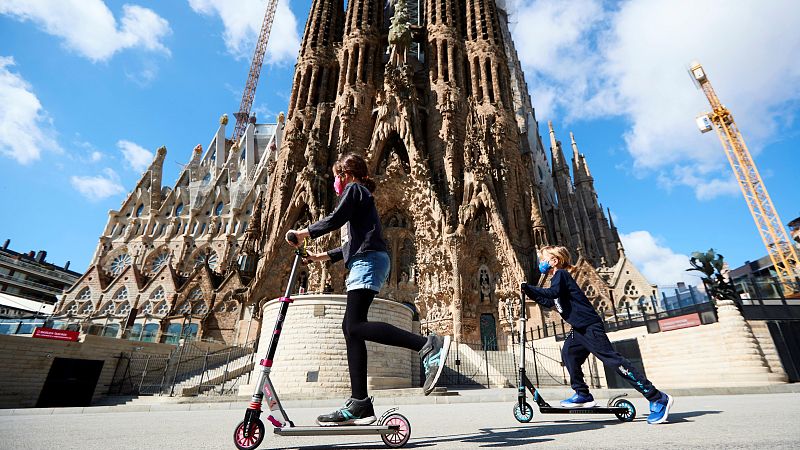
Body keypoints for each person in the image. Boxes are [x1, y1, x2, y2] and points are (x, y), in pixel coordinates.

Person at [287, 153, 451, 427]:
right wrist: (319, 257)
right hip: (367, 258)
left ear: (346, 174)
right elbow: (350, 245)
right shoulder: (360, 199)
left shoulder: (355, 189)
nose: (335, 183)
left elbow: (335, 218)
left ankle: (426, 344)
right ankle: (360, 403)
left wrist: (304, 233)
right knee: (351, 329)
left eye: (337, 176)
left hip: (369, 261)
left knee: (354, 326)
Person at [521, 245, 674, 425]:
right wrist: (529, 291)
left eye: (543, 259)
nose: (541, 263)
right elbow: (549, 301)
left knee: (614, 361)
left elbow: (552, 293)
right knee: (569, 355)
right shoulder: (556, 280)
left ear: (554, 261)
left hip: (589, 326)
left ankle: (657, 397)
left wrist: (530, 287)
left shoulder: (561, 275)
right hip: (579, 329)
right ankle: (583, 395)